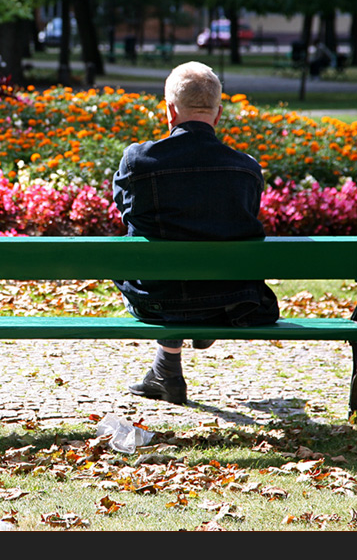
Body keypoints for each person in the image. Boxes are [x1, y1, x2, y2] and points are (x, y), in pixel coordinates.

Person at [112, 61, 279, 405]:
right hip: (231, 298)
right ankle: (184, 345)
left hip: (158, 299)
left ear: (170, 111)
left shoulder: (138, 161)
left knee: (149, 255)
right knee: (201, 267)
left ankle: (168, 370)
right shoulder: (246, 168)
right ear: (218, 114)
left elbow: (127, 212)